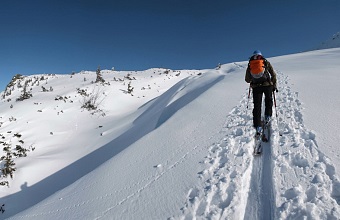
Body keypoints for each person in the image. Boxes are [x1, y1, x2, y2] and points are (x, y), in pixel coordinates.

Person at [245, 50, 277, 135]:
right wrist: (274, 85)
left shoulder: (250, 64)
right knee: (268, 100)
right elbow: (273, 74)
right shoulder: (265, 62)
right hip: (267, 85)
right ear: (261, 55)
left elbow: (247, 79)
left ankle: (257, 125)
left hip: (256, 87)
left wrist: (253, 78)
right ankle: (268, 116)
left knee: (257, 105)